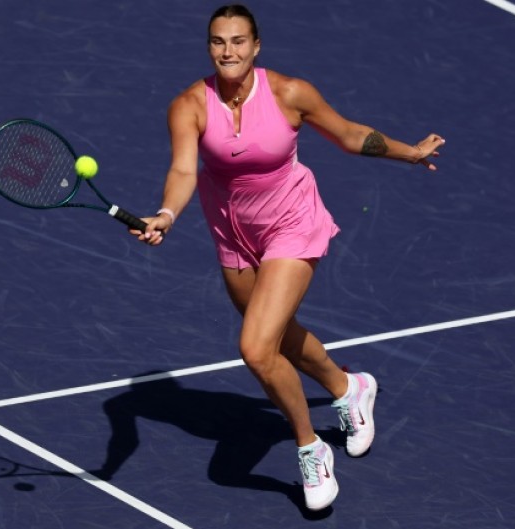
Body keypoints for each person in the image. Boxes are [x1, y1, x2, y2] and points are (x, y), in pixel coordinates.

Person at [130, 4, 445, 511]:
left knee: (256, 348)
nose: (227, 51)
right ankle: (350, 388)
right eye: (217, 42)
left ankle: (309, 447)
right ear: (208, 47)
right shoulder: (189, 105)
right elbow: (185, 172)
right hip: (233, 235)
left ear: (256, 46)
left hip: (291, 223)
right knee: (278, 334)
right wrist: (166, 214)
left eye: (237, 41)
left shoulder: (288, 93)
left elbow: (346, 134)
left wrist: (410, 152)